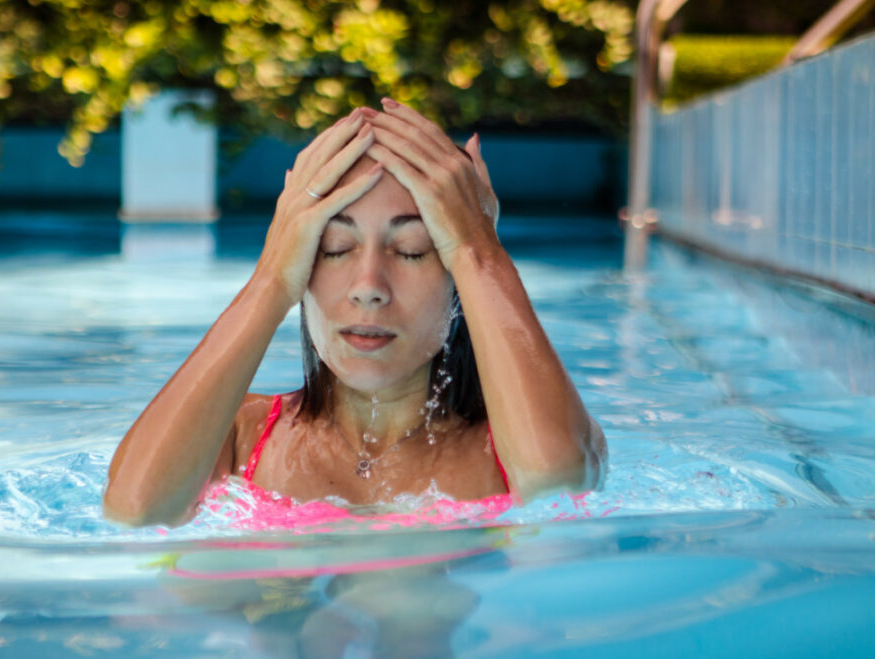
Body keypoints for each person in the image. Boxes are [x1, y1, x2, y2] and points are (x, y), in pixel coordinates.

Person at [103, 99, 607, 527]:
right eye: (336, 248)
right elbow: (136, 511)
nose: (369, 288)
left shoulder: (513, 445)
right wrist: (271, 279)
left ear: (462, 283)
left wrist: (478, 248)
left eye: (412, 250)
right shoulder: (242, 434)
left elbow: (556, 486)